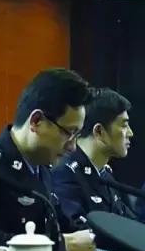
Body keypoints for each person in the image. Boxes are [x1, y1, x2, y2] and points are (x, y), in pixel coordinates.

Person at [0, 68, 95, 251]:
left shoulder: (42, 168)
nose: (72, 147)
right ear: (36, 121)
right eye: (68, 133)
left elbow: (63, 226)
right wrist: (62, 244)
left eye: (77, 135)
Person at [51, 87, 136, 232]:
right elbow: (78, 231)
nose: (130, 133)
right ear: (99, 131)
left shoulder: (105, 175)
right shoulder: (65, 172)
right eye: (124, 125)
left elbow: (131, 223)